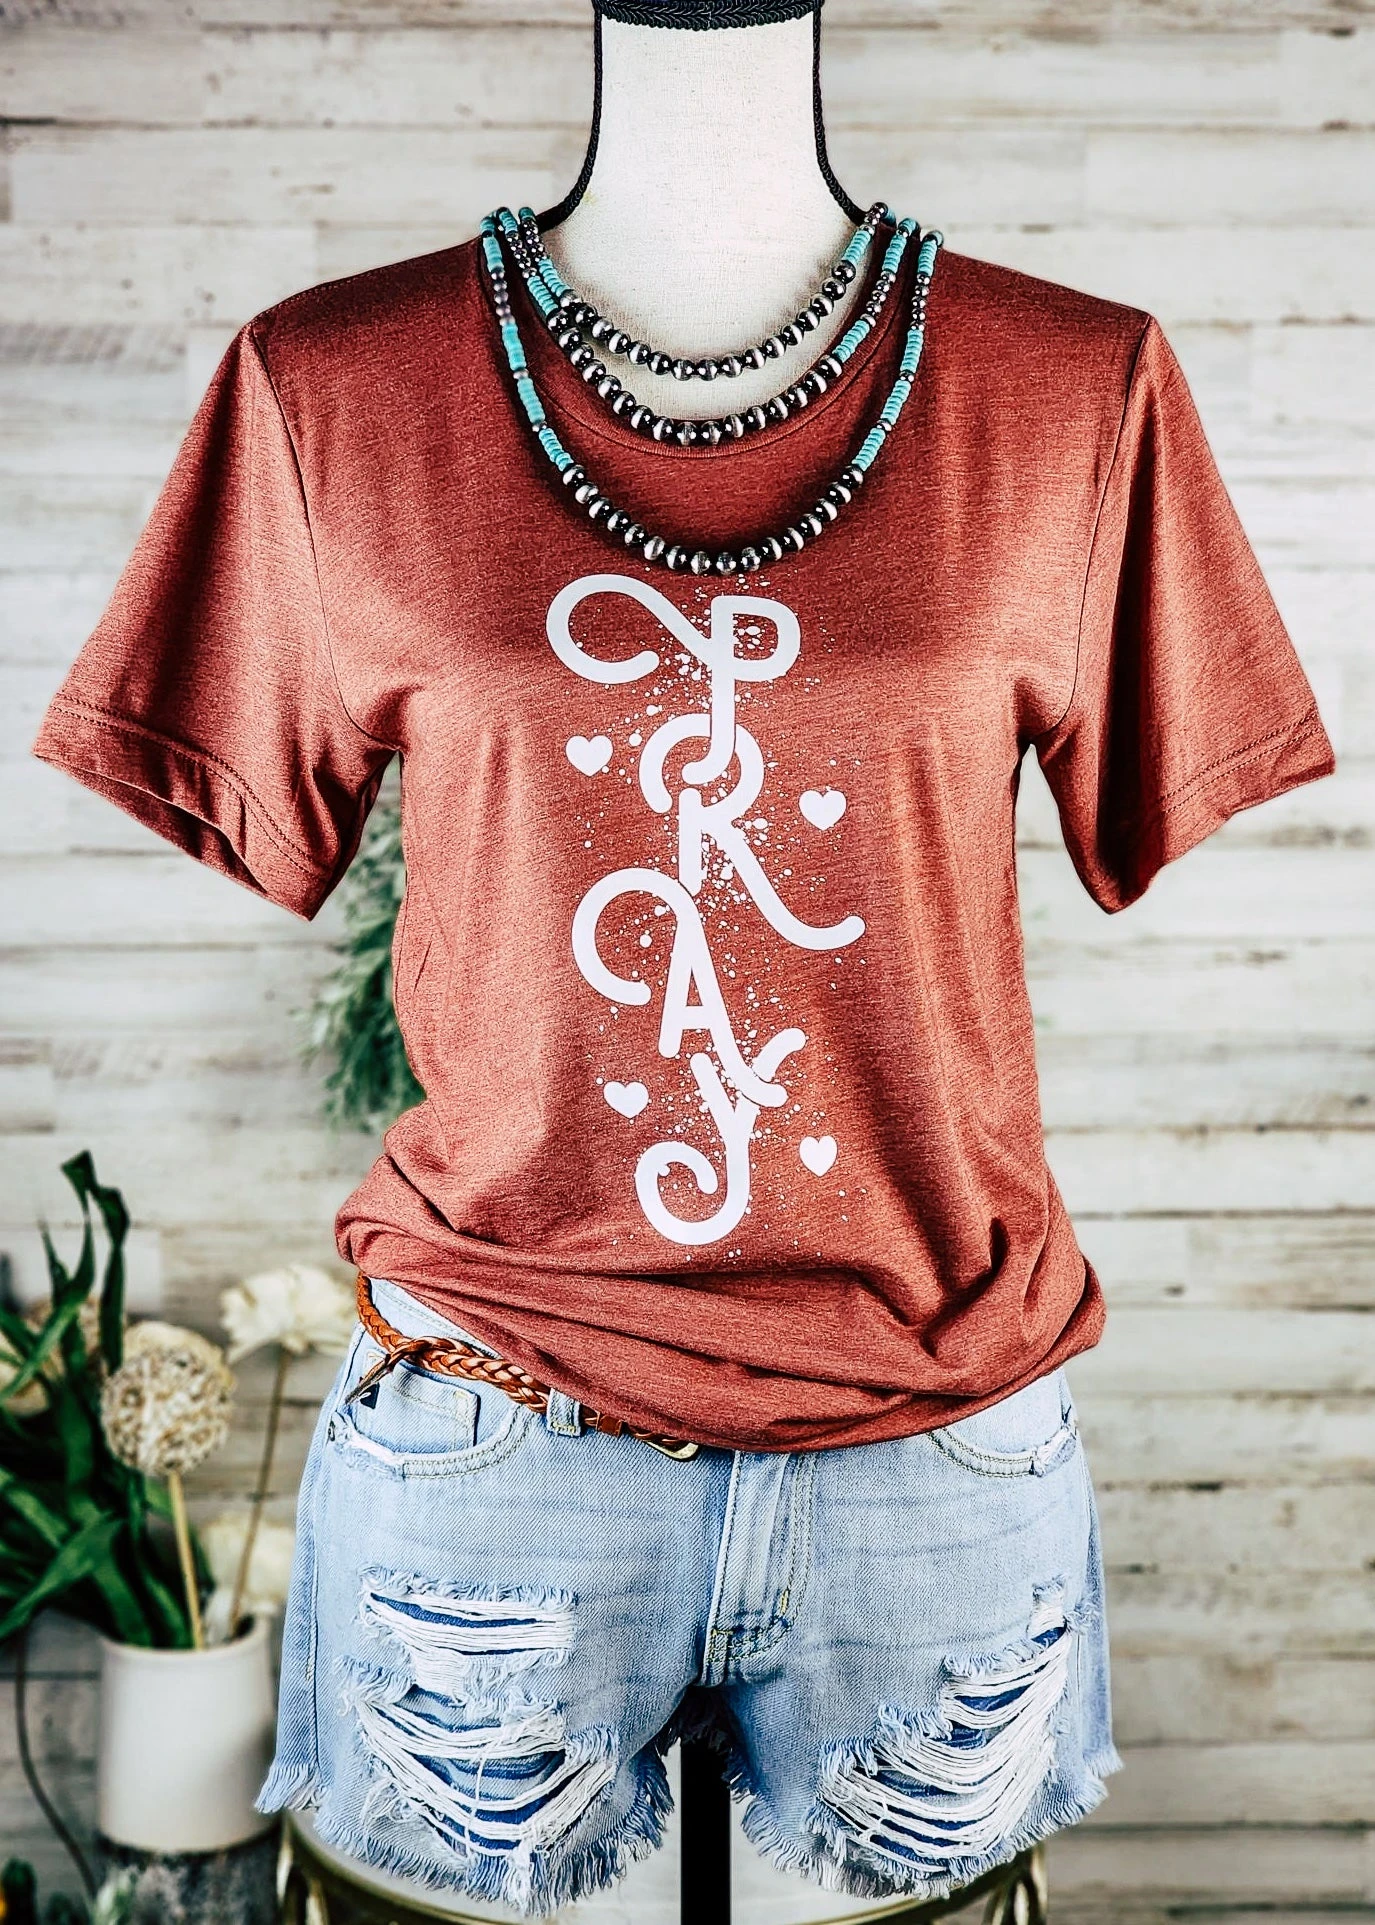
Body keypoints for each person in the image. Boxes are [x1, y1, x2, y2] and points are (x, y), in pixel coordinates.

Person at [31, 0, 1335, 1914]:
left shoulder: (1073, 389)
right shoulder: (329, 389)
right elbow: (248, 785)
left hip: (935, 1437)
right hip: (498, 1430)